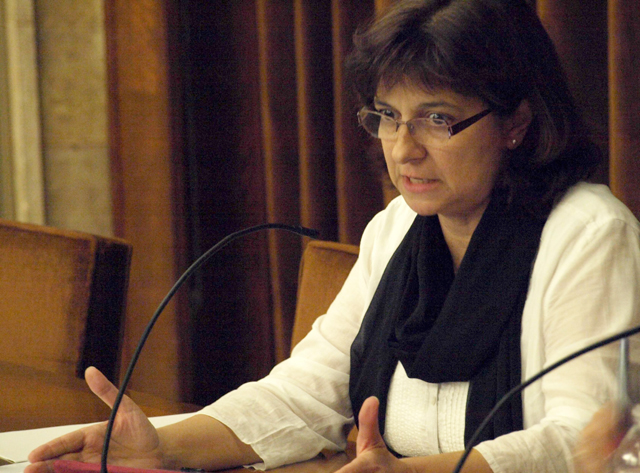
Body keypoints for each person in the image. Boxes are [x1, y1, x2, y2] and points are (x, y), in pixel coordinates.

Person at [26, 0, 640, 472]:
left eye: (438, 118)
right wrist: (161, 445)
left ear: (515, 124)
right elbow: (305, 396)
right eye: (388, 117)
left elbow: (586, 443)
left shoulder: (587, 235)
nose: (405, 149)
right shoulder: (397, 229)